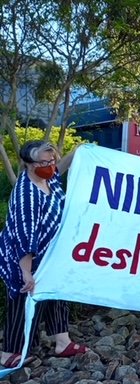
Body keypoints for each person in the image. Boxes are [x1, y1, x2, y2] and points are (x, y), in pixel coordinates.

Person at [0, 140, 88, 368]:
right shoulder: (26, 195)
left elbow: (60, 168)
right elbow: (25, 236)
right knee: (23, 297)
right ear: (28, 164)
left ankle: (62, 341)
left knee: (57, 290)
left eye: (52, 160)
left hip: (49, 251)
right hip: (22, 254)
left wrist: (77, 151)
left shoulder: (48, 177)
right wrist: (26, 271)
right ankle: (10, 352)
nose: (51, 165)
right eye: (44, 162)